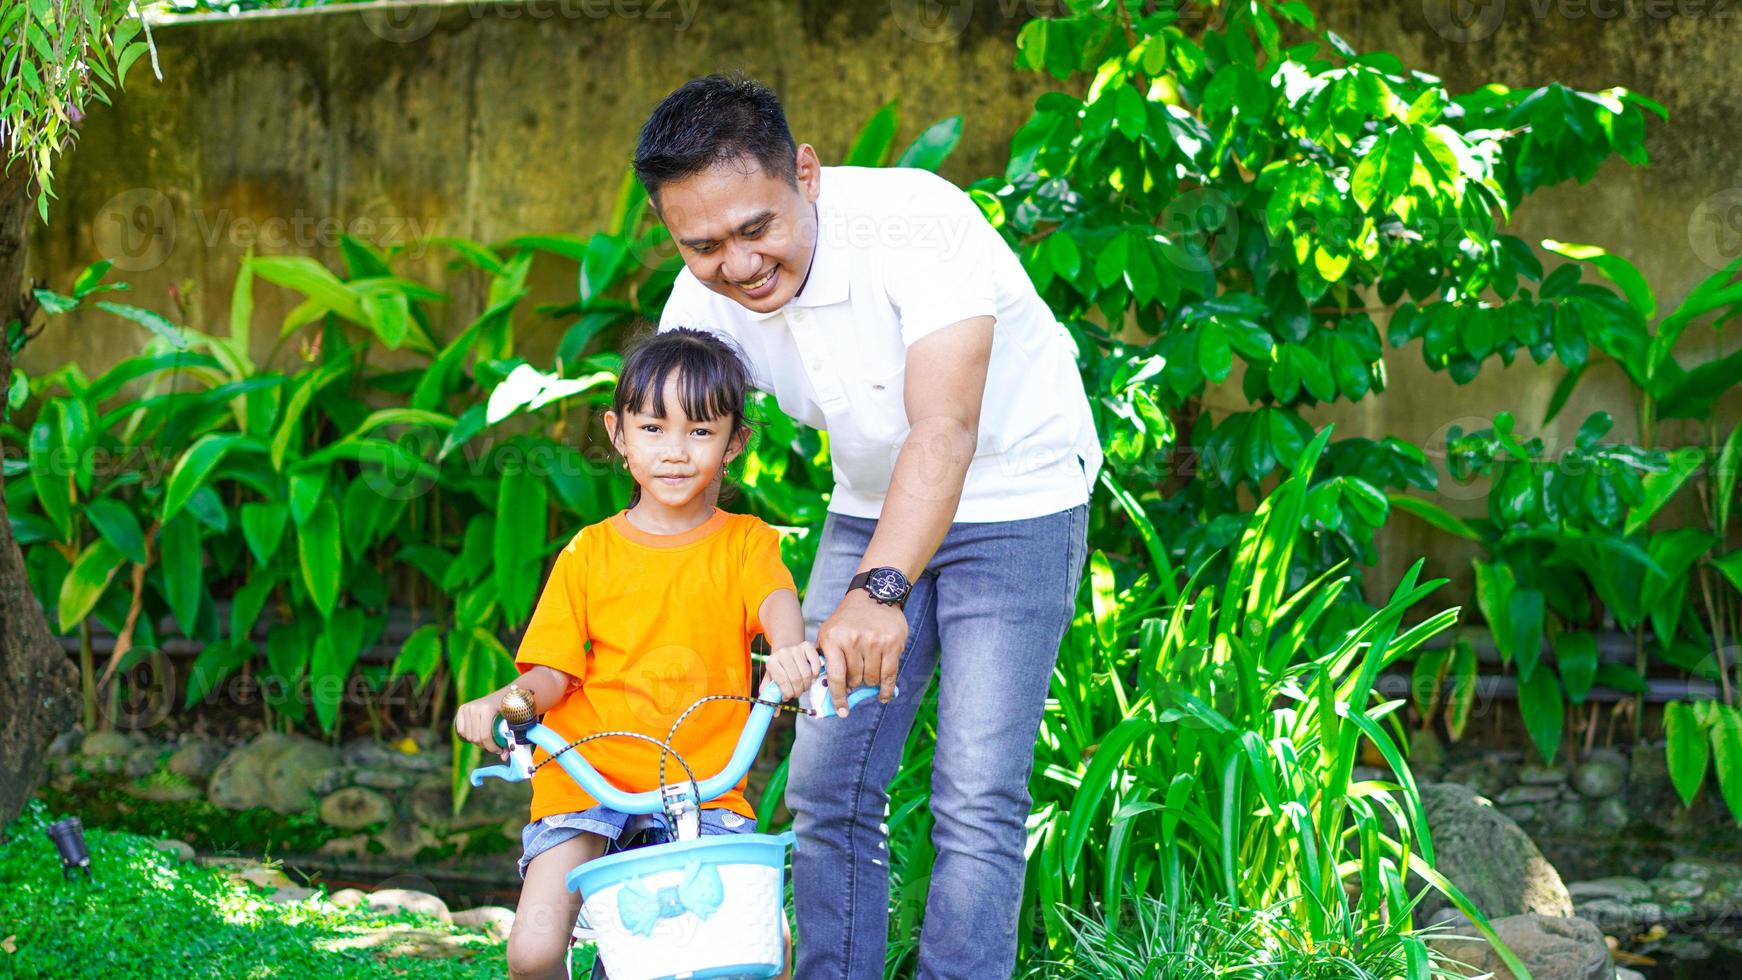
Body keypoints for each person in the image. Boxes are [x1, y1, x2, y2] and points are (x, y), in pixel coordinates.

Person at [637, 75, 1099, 978]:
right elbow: (675, 475)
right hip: (870, 505)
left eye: (756, 229)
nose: (736, 266)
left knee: (975, 791)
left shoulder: (918, 221)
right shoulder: (701, 307)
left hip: (1020, 500)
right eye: (702, 245)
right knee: (825, 785)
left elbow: (944, 430)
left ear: (805, 173)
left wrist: (879, 591)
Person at [453, 328, 821, 980]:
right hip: (586, 776)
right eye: (653, 429)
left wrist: (792, 651)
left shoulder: (745, 543)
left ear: (735, 440)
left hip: (699, 783)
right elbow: (550, 672)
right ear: (619, 435)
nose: (674, 452)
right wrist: (503, 705)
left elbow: (775, 602)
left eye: (700, 432)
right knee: (532, 954)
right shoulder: (590, 552)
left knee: (764, 945)